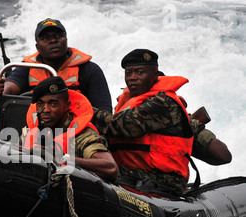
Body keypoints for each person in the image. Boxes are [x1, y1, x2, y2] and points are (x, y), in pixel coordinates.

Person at [92, 49, 231, 196]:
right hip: (130, 177)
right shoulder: (129, 103)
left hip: (159, 184)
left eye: (140, 72)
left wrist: (82, 109)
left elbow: (122, 126)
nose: (133, 77)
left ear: (155, 75)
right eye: (128, 73)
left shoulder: (163, 102)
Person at [3, 18, 112, 113]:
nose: (53, 40)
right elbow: (10, 88)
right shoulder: (26, 68)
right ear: (37, 47)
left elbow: (104, 111)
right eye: (45, 38)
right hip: (34, 130)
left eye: (58, 36)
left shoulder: (89, 69)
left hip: (77, 131)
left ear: (66, 40)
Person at [20, 76, 118, 181]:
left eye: (53, 104)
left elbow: (111, 168)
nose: (46, 110)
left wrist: (62, 158)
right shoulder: (28, 133)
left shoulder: (83, 135)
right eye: (40, 104)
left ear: (67, 106)